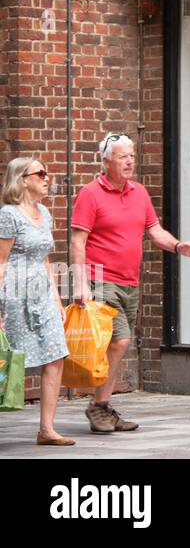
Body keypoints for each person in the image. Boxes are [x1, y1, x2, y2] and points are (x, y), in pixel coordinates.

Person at [70, 133, 190, 434]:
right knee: (119, 340)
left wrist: (178, 246)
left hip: (129, 281)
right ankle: (99, 406)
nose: (130, 161)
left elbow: (154, 230)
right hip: (100, 279)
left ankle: (102, 406)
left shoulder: (139, 193)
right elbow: (78, 241)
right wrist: (80, 283)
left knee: (119, 342)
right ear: (106, 161)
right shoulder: (90, 194)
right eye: (123, 156)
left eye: (132, 155)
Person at [0, 158, 73, 445]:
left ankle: (47, 430)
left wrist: (56, 298)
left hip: (41, 293)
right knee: (7, 357)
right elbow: (1, 261)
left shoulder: (44, 212)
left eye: (47, 173)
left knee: (55, 354)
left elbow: (45, 258)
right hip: (14, 295)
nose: (47, 177)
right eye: (40, 173)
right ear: (22, 180)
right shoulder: (8, 215)